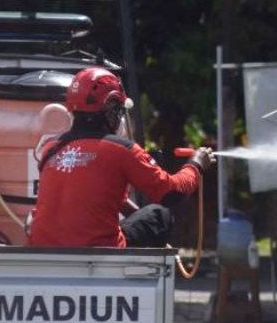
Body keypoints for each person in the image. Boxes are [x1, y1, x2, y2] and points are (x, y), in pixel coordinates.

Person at [28, 67, 215, 248]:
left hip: (43, 248)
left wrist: (134, 213)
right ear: (109, 107)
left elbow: (91, 197)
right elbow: (171, 194)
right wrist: (196, 164)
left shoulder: (51, 149)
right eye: (118, 109)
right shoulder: (121, 150)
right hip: (97, 250)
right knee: (158, 215)